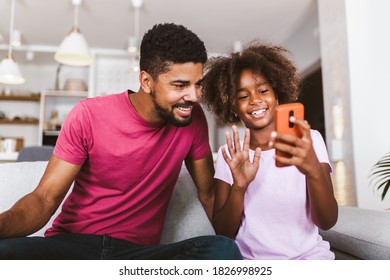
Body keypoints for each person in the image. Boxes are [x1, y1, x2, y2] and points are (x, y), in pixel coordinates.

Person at [0, 23, 241, 260]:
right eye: (180, 85)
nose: (193, 96)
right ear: (146, 81)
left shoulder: (192, 118)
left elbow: (208, 194)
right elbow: (44, 198)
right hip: (74, 246)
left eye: (197, 84)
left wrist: (238, 190)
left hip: (135, 257)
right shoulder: (89, 114)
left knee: (222, 250)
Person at [201, 41, 338, 260]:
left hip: (311, 260)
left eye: (263, 90)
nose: (255, 100)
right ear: (233, 106)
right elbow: (223, 233)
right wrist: (240, 187)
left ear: (276, 95)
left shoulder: (309, 140)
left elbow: (328, 221)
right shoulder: (232, 154)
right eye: (243, 96)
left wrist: (312, 169)